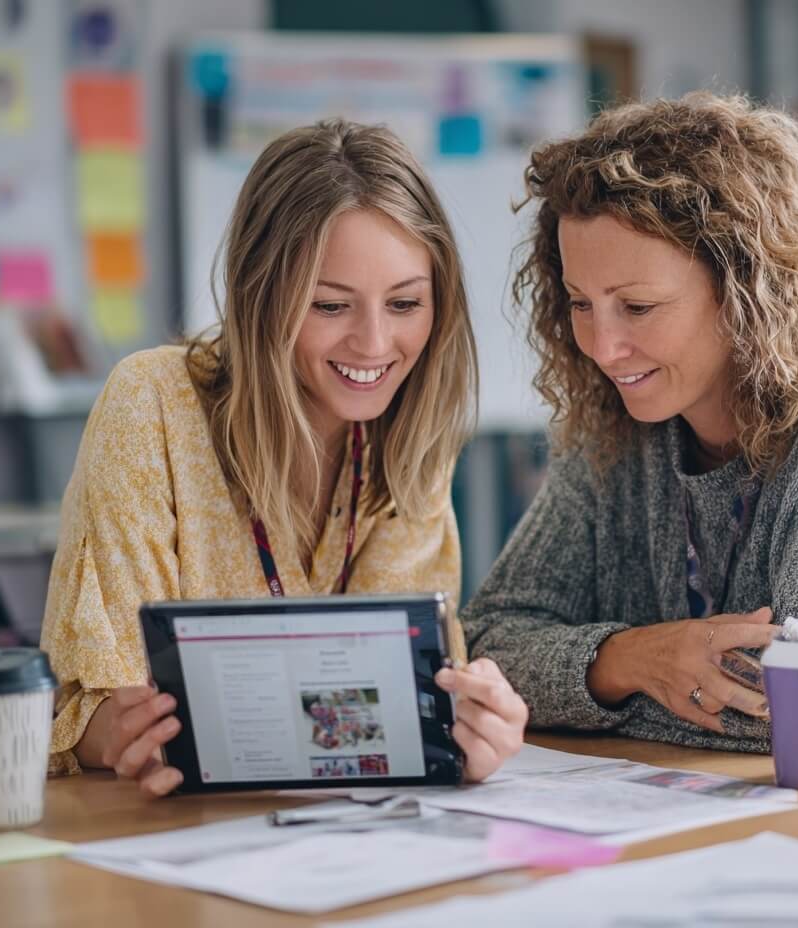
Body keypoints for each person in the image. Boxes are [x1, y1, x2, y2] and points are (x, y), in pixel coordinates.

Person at [463, 93, 798, 751]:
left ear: (748, 289)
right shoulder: (624, 407)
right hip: (697, 805)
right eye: (581, 303)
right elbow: (484, 647)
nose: (603, 348)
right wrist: (635, 657)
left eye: (638, 307)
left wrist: (569, 689)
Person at [41, 119, 528, 795]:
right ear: (261, 294)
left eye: (406, 303)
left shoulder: (411, 432)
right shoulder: (152, 402)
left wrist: (461, 730)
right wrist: (121, 737)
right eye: (330, 305)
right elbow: (99, 708)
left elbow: (386, 716)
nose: (375, 343)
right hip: (168, 836)